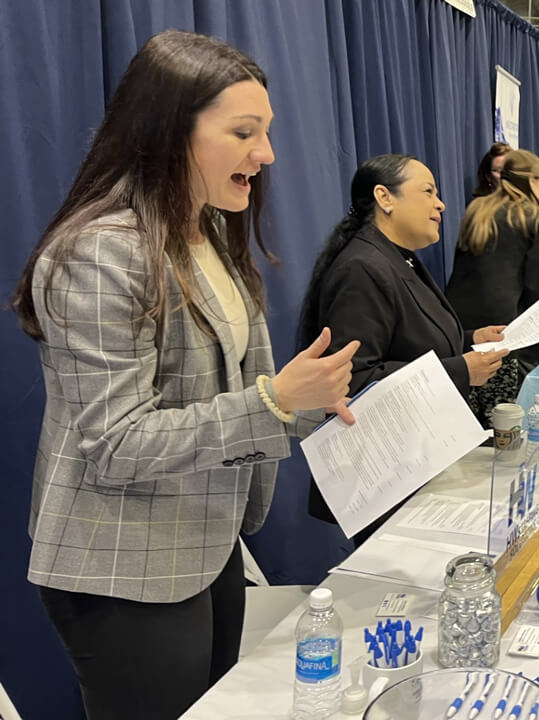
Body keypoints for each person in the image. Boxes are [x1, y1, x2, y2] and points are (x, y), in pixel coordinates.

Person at [12, 31, 360, 720]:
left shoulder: (207, 236)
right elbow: (115, 445)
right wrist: (274, 402)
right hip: (124, 567)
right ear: (170, 131)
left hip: (205, 541)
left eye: (266, 132)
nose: (266, 154)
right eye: (244, 132)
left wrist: (314, 401)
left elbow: (235, 389)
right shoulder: (100, 255)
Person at [298, 154, 507, 545]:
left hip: (418, 460)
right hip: (385, 477)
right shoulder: (363, 267)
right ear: (385, 197)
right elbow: (354, 381)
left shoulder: (399, 259)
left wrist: (469, 339)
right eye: (428, 192)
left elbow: (413, 339)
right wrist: (462, 370)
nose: (441, 204)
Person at [447, 149, 539, 425]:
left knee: (464, 409)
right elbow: (534, 287)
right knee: (501, 416)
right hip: (503, 330)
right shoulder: (536, 218)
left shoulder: (478, 209)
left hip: (460, 327)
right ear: (532, 180)